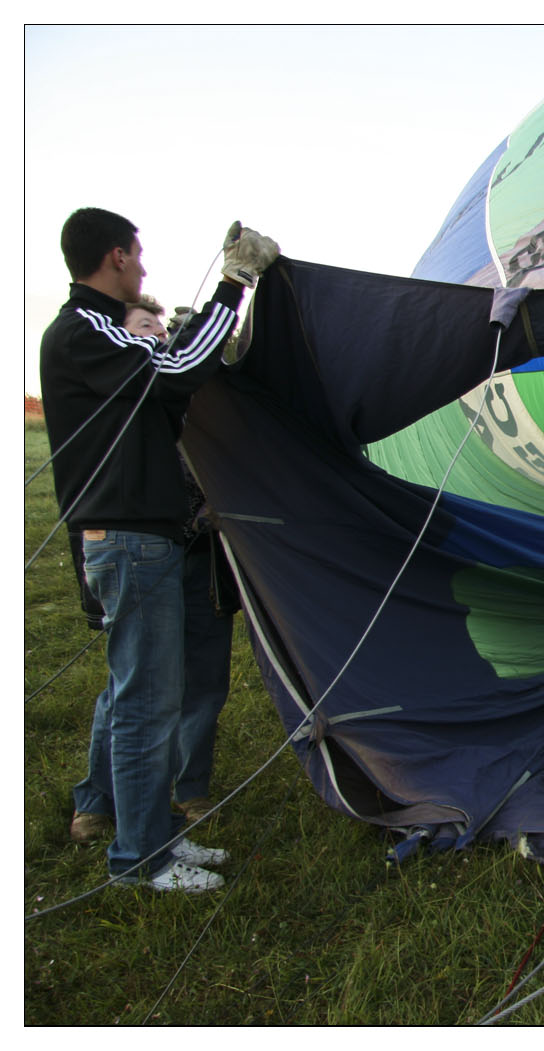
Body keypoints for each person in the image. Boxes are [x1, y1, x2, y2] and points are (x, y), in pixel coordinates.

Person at [41, 208, 278, 893]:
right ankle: (139, 857)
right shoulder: (84, 329)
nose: (143, 268)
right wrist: (233, 285)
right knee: (146, 701)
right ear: (115, 257)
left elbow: (161, 386)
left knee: (150, 693)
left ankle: (155, 836)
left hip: (145, 537)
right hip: (130, 537)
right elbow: (172, 370)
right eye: (137, 256)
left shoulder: (98, 333)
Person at [68, 295, 237, 842]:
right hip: (146, 556)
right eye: (143, 330)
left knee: (202, 682)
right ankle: (99, 801)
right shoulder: (125, 401)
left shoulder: (194, 396)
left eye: (162, 332)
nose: (156, 339)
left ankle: (188, 792)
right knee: (133, 687)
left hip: (201, 563)